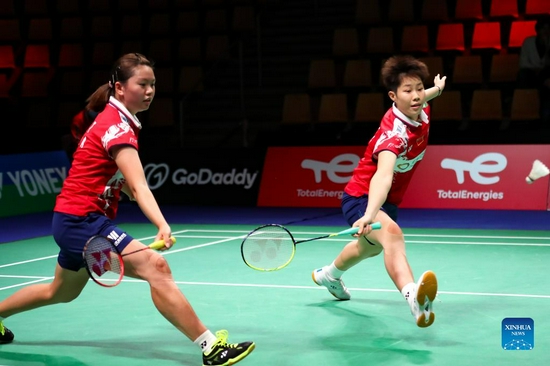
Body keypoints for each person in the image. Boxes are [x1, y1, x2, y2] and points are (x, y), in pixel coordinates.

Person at [0, 53, 255, 365]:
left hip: (70, 220)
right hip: (83, 220)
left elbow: (126, 186)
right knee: (155, 267)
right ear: (120, 88)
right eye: (142, 84)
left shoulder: (115, 121)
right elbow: (140, 186)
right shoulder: (116, 128)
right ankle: (210, 346)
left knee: (60, 292)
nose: (149, 91)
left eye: (153, 84)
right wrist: (162, 224)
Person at [312, 55, 446, 328]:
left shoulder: (420, 107)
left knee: (368, 248)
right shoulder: (393, 138)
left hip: (388, 203)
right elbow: (383, 177)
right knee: (393, 236)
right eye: (407, 91)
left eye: (419, 88)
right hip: (362, 198)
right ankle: (414, 300)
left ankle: (329, 275)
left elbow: (427, 95)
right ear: (393, 96)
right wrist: (369, 214)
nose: (417, 96)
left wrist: (438, 89)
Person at [518, 16, 550, 124]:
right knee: (524, 74)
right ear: (538, 30)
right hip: (532, 73)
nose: (546, 32)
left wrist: (548, 47)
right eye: (543, 29)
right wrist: (536, 69)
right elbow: (523, 63)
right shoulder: (528, 42)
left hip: (546, 72)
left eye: (548, 29)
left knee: (546, 74)